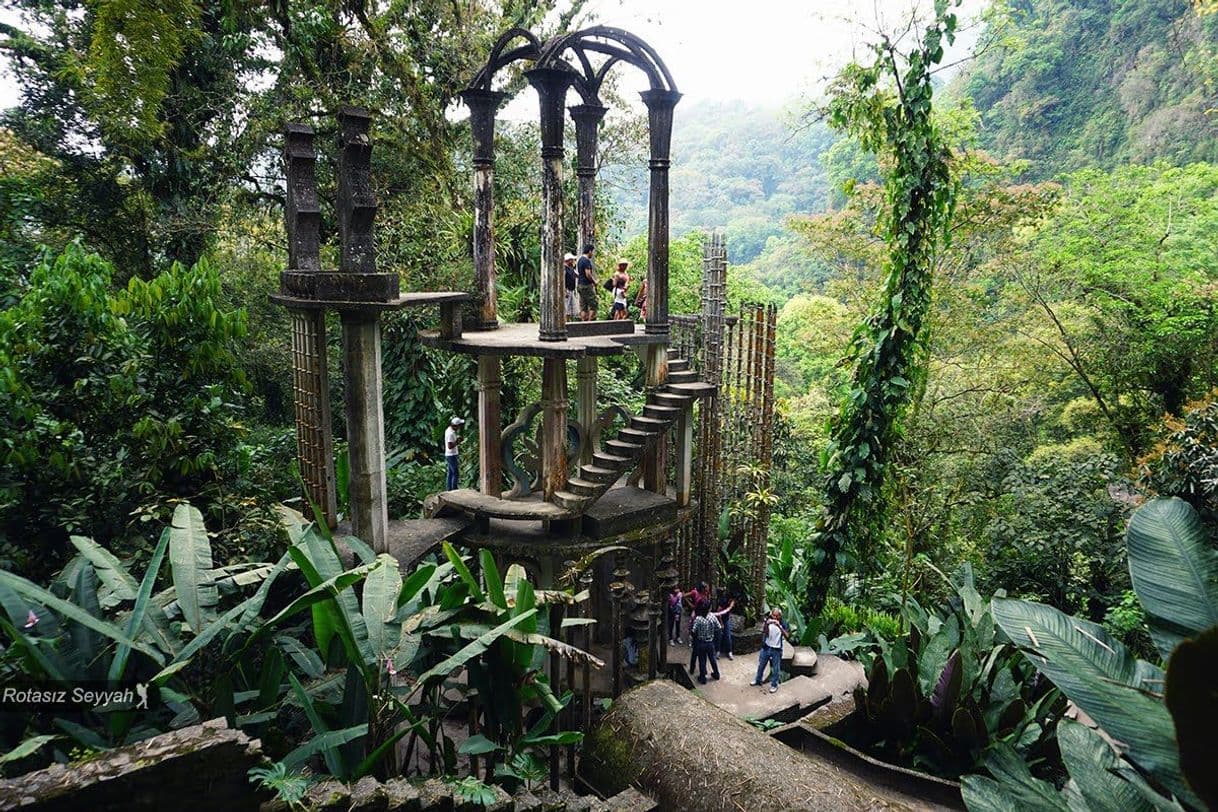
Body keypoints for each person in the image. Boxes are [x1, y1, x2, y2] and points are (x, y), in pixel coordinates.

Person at [751, 607, 793, 693]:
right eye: (774, 615)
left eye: (777, 616)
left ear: (780, 616)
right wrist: (767, 624)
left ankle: (774, 685)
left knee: (776, 668)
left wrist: (779, 626)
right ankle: (758, 680)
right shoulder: (768, 620)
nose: (775, 618)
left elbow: (787, 636)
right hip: (766, 646)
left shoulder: (783, 623)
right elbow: (765, 632)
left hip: (776, 649)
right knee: (761, 665)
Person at [689, 598, 721, 684]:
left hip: (701, 643)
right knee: (712, 659)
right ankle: (716, 674)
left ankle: (703, 678)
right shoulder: (712, 617)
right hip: (710, 642)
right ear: (709, 608)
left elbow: (693, 631)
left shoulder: (698, 619)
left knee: (702, 660)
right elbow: (719, 627)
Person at [576, 243, 597, 321]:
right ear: (590, 251)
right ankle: (590, 323)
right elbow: (588, 274)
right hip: (586, 285)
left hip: (580, 285)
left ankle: (583, 323)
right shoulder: (586, 261)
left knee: (583, 305)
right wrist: (594, 282)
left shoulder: (580, 260)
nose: (593, 254)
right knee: (593, 304)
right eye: (593, 252)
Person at [682, 581, 708, 646]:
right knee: (693, 626)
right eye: (705, 588)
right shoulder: (695, 592)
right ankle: (691, 640)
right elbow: (684, 596)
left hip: (702, 612)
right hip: (696, 611)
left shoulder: (706, 593)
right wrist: (690, 603)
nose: (706, 589)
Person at [714, 591, 736, 660]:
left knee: (727, 635)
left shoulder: (731, 602)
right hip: (719, 619)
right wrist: (721, 623)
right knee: (719, 635)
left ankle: (729, 651)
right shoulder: (723, 601)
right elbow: (718, 612)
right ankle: (717, 651)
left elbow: (729, 609)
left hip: (726, 619)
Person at [444, 417, 464, 490]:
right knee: (455, 473)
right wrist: (458, 441)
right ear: (455, 426)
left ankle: (449, 488)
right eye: (459, 426)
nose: (459, 427)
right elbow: (450, 446)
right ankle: (454, 488)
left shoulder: (448, 430)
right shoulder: (451, 433)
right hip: (451, 455)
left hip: (449, 454)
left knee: (450, 473)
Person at [563, 252, 579, 320]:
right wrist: (564, 291)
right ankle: (565, 323)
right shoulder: (564, 268)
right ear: (568, 260)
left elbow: (577, 275)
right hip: (567, 290)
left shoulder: (571, 268)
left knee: (570, 309)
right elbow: (562, 279)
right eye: (572, 259)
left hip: (571, 290)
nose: (573, 261)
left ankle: (568, 322)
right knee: (566, 308)